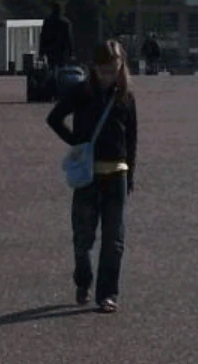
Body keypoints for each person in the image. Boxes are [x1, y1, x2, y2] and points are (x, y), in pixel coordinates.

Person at [47, 39, 138, 311]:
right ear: (94, 68)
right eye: (104, 70)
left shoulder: (125, 97)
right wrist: (76, 141)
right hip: (88, 175)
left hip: (117, 173)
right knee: (83, 237)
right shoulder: (81, 92)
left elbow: (132, 138)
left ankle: (107, 294)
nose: (109, 75)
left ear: (121, 67)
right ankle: (83, 279)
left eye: (114, 69)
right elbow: (54, 118)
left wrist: (131, 172)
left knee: (114, 238)